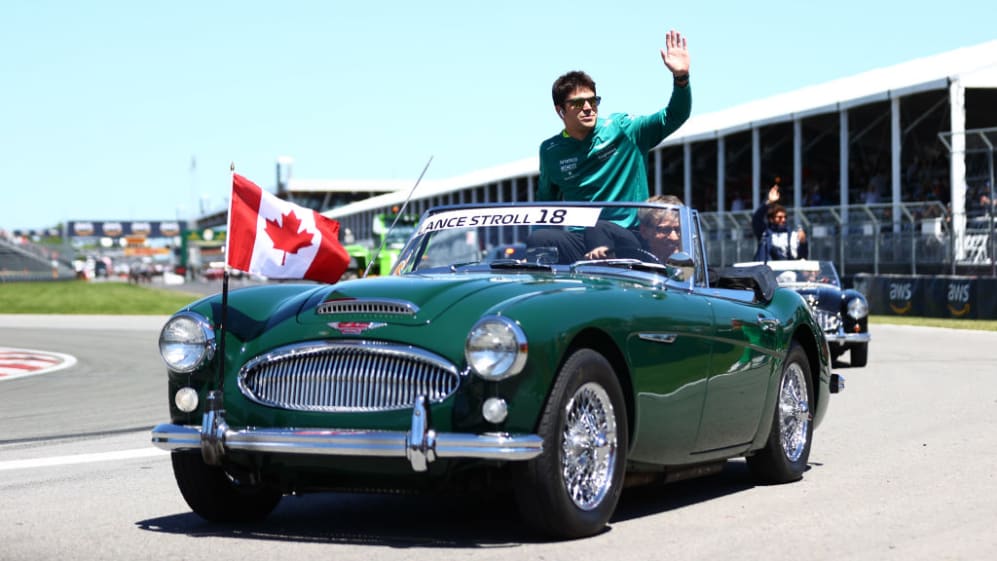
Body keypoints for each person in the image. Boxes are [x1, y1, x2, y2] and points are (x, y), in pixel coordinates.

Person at [536, 29, 692, 228]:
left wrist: (681, 78)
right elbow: (545, 205)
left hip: (627, 238)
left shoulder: (623, 129)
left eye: (593, 101)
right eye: (578, 103)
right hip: (579, 240)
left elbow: (674, 116)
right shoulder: (550, 150)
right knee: (541, 237)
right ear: (560, 111)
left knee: (600, 229)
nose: (588, 108)